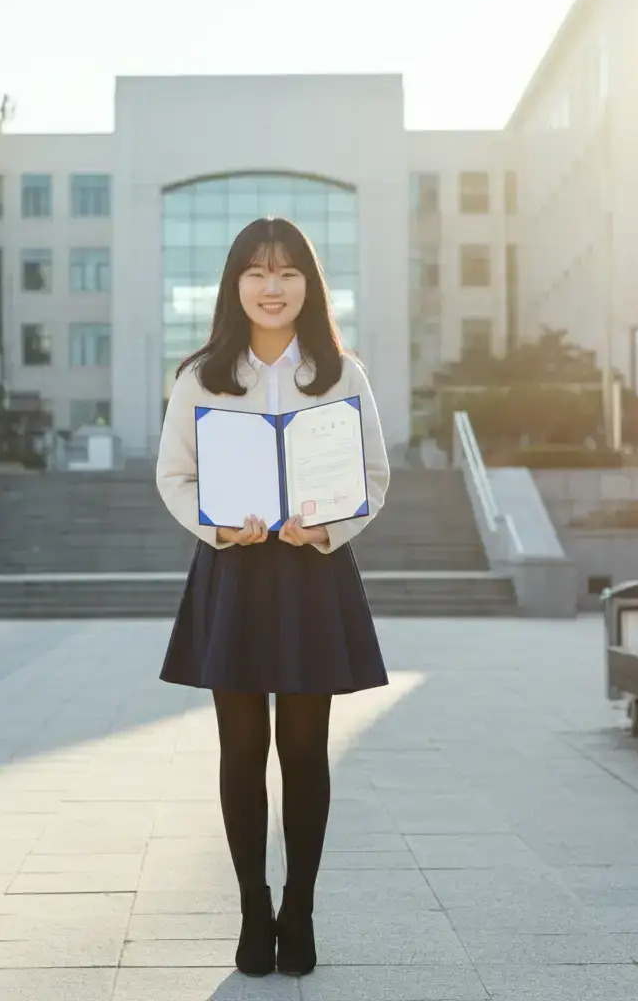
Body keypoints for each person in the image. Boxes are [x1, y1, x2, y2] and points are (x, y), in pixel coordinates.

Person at [155, 216, 390, 978]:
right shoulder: (201, 376)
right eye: (256, 272)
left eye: (287, 272)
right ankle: (253, 910)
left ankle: (300, 910)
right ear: (234, 286)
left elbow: (374, 476)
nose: (272, 287)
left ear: (309, 285)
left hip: (312, 570)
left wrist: (326, 529)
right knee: (241, 748)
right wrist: (219, 527)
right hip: (235, 570)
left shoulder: (341, 374)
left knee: (305, 749)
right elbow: (174, 476)